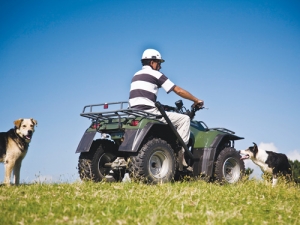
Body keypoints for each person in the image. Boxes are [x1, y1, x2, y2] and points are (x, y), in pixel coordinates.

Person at [129, 49, 204, 171]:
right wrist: (196, 100)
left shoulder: (135, 75)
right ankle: (181, 155)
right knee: (184, 119)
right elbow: (178, 90)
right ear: (152, 62)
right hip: (149, 112)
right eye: (159, 63)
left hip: (134, 112)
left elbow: (144, 97)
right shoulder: (156, 74)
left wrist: (164, 107)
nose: (160, 66)